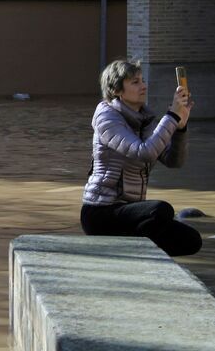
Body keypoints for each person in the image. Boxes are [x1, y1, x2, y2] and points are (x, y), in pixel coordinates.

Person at [80, 59, 202, 257]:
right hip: (101, 212)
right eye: (135, 82)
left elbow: (174, 161)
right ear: (117, 90)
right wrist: (171, 115)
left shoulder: (145, 120)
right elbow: (143, 152)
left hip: (130, 211)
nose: (143, 86)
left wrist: (180, 127)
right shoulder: (107, 118)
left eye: (142, 80)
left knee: (191, 240)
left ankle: (133, 249)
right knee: (161, 210)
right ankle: (133, 252)